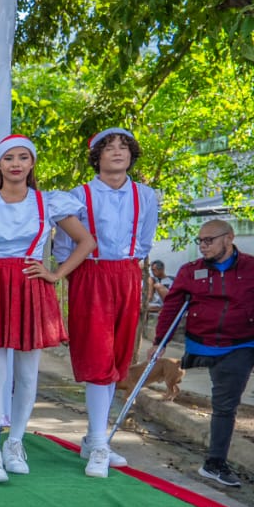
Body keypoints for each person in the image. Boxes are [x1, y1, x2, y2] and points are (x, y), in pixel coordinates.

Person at [0, 135, 95, 484]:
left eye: (23, 157)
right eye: (9, 158)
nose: (16, 164)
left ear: (32, 163)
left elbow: (86, 242)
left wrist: (55, 274)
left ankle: (15, 443)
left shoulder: (48, 202)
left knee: (28, 375)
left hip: (32, 289)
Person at [52, 127, 159, 476]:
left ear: (132, 155)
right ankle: (99, 442)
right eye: (109, 147)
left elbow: (144, 240)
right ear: (96, 156)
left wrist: (129, 273)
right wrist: (78, 278)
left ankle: (94, 438)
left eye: (124, 147)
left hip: (127, 273)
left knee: (116, 358)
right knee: (97, 356)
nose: (117, 152)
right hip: (90, 274)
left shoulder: (146, 196)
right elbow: (64, 246)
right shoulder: (78, 196)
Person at [154, 219, 253, 489]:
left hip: (240, 344)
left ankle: (214, 464)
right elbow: (172, 307)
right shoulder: (190, 271)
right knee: (223, 402)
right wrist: (160, 341)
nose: (203, 246)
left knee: (225, 404)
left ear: (229, 238)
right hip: (202, 343)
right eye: (200, 241)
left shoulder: (250, 268)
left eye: (209, 240)